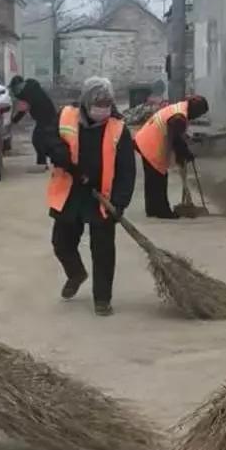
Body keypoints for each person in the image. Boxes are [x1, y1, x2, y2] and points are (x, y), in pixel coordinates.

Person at [44, 76, 136, 317]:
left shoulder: (118, 128)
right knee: (61, 243)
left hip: (102, 197)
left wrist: (120, 202)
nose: (102, 109)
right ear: (86, 102)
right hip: (71, 191)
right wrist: (59, 152)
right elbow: (48, 138)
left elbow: (127, 170)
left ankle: (102, 299)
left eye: (107, 104)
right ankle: (76, 273)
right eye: (98, 104)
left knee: (103, 251)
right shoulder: (66, 116)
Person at [133, 93, 209, 218]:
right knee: (159, 178)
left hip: (144, 139)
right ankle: (163, 211)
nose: (196, 117)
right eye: (199, 114)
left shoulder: (180, 108)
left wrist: (183, 152)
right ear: (195, 110)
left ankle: (152, 209)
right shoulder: (179, 117)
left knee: (152, 179)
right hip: (151, 144)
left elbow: (177, 136)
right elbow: (176, 139)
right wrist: (185, 153)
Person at [9, 75, 58, 171]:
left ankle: (44, 163)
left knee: (38, 140)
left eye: (15, 89)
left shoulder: (27, 92)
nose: (15, 92)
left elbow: (22, 110)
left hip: (46, 118)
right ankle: (46, 162)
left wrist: (13, 121)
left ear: (19, 86)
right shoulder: (31, 88)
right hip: (48, 117)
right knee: (44, 140)